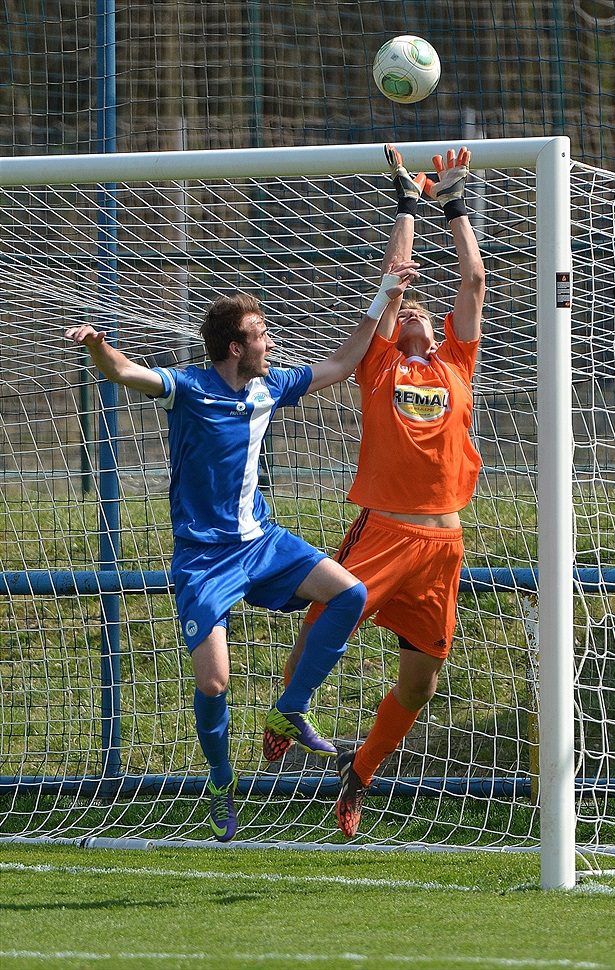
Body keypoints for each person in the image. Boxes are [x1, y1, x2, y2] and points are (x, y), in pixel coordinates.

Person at [65, 252, 419, 842]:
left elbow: (341, 362)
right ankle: (222, 780)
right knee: (213, 684)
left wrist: (383, 296)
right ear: (235, 347)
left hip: (262, 542)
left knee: (350, 594)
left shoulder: (271, 386)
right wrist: (98, 347)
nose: (271, 342)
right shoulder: (191, 389)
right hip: (204, 558)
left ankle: (290, 706)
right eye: (260, 334)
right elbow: (127, 374)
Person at [266, 144, 485, 838]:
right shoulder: (380, 364)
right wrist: (406, 204)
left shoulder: (457, 361)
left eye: (427, 310)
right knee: (321, 621)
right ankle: (284, 708)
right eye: (409, 309)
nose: (418, 312)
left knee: (420, 684)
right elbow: (394, 275)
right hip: (386, 529)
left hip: (443, 542)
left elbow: (475, 281)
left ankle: (358, 773)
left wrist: (455, 206)